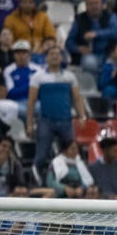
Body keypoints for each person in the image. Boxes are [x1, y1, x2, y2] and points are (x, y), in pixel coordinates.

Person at [26, 46, 87, 177]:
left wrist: (82, 116)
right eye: (51, 54)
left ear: (62, 57)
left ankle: (71, 180)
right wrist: (29, 124)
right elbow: (31, 102)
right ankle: (37, 181)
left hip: (66, 121)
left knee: (71, 155)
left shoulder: (69, 76)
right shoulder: (38, 77)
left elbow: (77, 99)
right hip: (46, 122)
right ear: (46, 58)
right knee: (41, 156)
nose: (55, 56)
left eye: (57, 54)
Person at [66, 0, 117, 75]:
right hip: (90, 54)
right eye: (90, 4)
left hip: (109, 52)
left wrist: (96, 34)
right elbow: (69, 42)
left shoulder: (111, 16)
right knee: (90, 63)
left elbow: (116, 32)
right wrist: (78, 48)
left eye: (96, 3)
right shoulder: (79, 19)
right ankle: (93, 87)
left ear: (102, 4)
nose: (94, 6)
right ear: (86, 6)